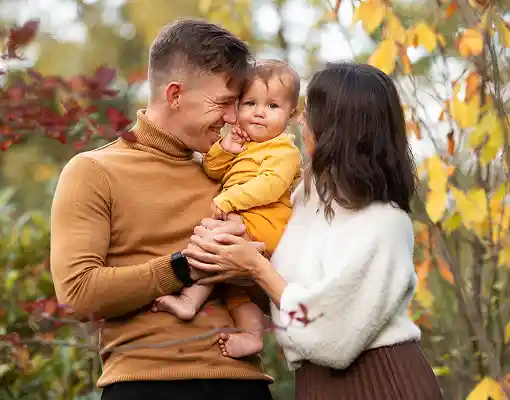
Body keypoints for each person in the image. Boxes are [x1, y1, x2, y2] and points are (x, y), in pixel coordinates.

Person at [182, 62, 445, 399]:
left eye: (311, 112)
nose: (301, 120)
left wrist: (255, 267)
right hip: (317, 385)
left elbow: (331, 335)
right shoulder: (307, 199)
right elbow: (287, 298)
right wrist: (232, 259)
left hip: (378, 381)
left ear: (338, 128)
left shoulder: (384, 223)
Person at [50, 18, 275, 400]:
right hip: (146, 385)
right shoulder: (94, 171)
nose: (233, 118)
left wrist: (251, 270)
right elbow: (77, 290)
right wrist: (183, 267)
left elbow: (269, 294)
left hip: (244, 384)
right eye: (223, 102)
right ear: (174, 95)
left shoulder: (232, 179)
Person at [151, 59, 302, 360]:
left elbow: (271, 185)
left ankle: (189, 299)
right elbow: (212, 169)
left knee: (210, 240)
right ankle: (251, 335)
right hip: (244, 224)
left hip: (267, 225)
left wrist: (230, 200)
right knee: (233, 288)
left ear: (291, 115)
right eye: (250, 103)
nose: (259, 112)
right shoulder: (242, 145)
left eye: (272, 106)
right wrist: (226, 148)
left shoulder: (284, 151)